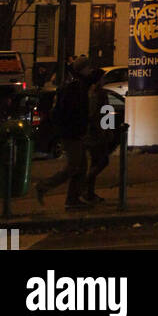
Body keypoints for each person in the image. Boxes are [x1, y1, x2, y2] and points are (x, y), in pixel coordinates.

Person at [36, 55, 92, 211]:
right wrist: (78, 128)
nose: (91, 70)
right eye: (88, 67)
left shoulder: (77, 85)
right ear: (83, 69)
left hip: (73, 132)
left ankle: (73, 198)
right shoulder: (76, 87)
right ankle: (44, 186)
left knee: (81, 166)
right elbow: (74, 112)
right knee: (73, 166)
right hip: (72, 133)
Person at [83, 65, 114, 204]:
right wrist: (108, 130)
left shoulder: (89, 92)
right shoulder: (100, 94)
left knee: (95, 161)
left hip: (90, 132)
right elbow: (106, 112)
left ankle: (89, 193)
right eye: (103, 78)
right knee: (102, 161)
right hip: (97, 133)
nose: (104, 80)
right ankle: (85, 185)